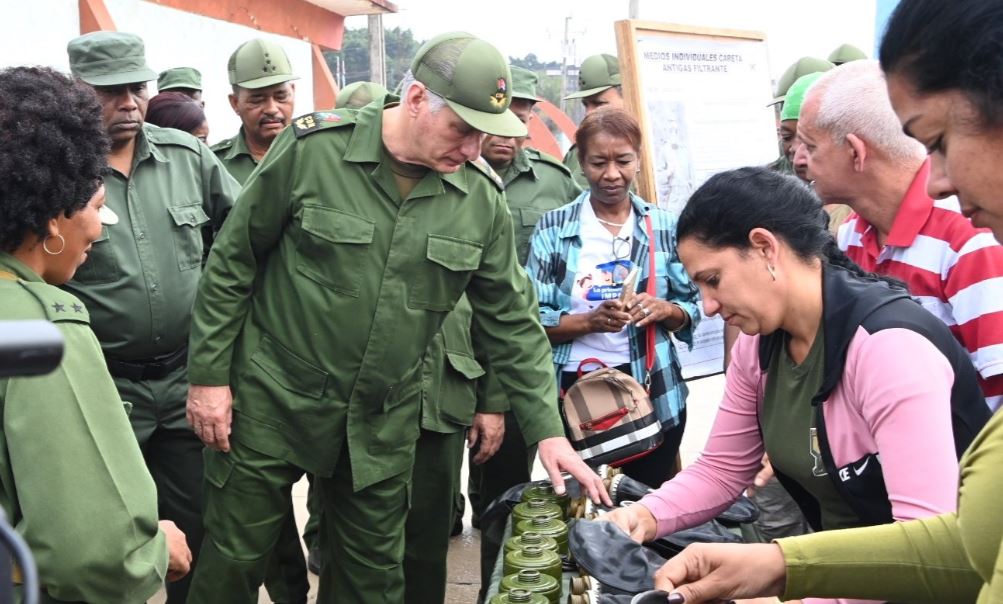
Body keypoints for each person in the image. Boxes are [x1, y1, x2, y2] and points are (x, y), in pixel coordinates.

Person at [183, 31, 608, 604]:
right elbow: (233, 263)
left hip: (381, 423)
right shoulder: (314, 152)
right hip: (273, 403)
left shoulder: (479, 198)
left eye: (486, 133)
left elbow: (513, 322)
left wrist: (548, 431)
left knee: (373, 583)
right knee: (232, 567)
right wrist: (209, 379)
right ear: (414, 100)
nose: (474, 148)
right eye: (461, 128)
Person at [646, 1, 1003, 601]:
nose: (936, 180)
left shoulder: (906, 322)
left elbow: (943, 542)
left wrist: (787, 568)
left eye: (937, 142)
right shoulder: (836, 263)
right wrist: (644, 520)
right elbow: (957, 544)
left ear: (766, 249)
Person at [0, 64, 192, 603]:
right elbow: (93, 551)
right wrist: (155, 550)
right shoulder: (42, 328)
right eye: (98, 208)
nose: (97, 231)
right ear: (54, 218)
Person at [63, 31, 239, 604]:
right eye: (111, 92)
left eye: (137, 87)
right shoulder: (57, 170)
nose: (130, 103)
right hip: (103, 385)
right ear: (77, 92)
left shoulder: (188, 158)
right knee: (108, 537)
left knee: (198, 530)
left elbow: (239, 242)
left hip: (186, 381)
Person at [796, 59, 1003, 411]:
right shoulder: (849, 237)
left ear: (855, 152)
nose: (798, 158)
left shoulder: (970, 238)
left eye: (810, 146)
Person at [526, 107, 700, 491]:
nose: (611, 174)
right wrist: (588, 322)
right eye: (597, 162)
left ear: (638, 159)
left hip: (652, 389)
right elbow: (529, 320)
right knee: (584, 505)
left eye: (623, 161)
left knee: (648, 504)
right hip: (576, 394)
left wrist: (663, 309)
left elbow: (694, 306)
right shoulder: (554, 228)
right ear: (580, 162)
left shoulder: (665, 226)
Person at [471, 63, 582, 601]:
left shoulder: (556, 180)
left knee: (526, 476)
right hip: (461, 352)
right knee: (489, 478)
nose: (507, 135)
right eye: (498, 121)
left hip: (531, 353)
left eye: (520, 121)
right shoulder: (454, 177)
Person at [211, 38, 298, 185]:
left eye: (281, 97)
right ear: (235, 103)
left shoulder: (319, 154)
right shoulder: (214, 166)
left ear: (293, 92)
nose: (271, 109)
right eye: (257, 100)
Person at [562, 54, 626, 188]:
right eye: (586, 105)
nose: (589, 113)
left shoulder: (655, 150)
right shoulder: (578, 153)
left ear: (628, 97)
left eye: (599, 104)